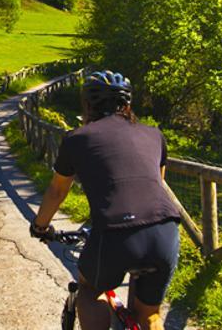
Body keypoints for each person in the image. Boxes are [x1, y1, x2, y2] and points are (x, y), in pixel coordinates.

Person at [30, 70, 181, 330]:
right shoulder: (155, 135)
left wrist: (40, 227)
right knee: (150, 315)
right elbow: (158, 184)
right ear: (128, 104)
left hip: (115, 233)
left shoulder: (76, 138)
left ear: (87, 105)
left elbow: (57, 191)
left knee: (90, 291)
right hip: (164, 230)